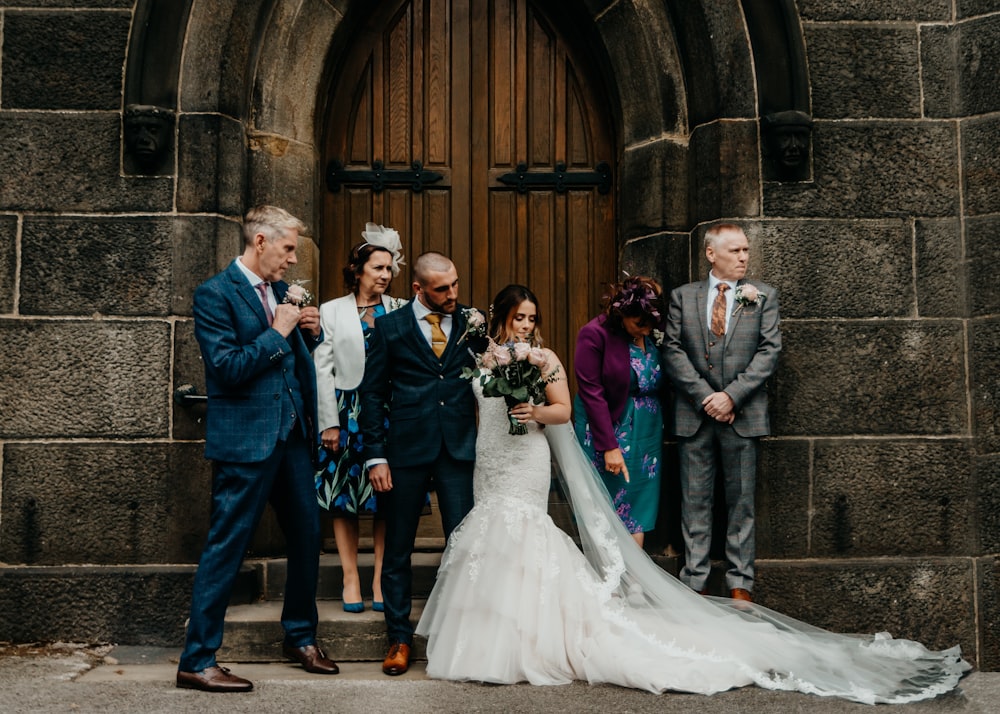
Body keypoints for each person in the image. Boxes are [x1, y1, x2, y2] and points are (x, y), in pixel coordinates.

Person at [416, 284, 969, 703]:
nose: (526, 326)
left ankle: (528, 643)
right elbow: (474, 405)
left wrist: (534, 410)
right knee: (489, 535)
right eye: (519, 318)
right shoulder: (484, 359)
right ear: (500, 318)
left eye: (532, 319)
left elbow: (562, 409)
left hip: (528, 460)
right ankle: (492, 637)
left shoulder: (544, 358)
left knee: (523, 534)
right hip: (493, 460)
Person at [177, 206, 339, 693]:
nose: (293, 259)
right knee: (226, 545)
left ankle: (300, 636)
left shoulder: (280, 295)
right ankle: (197, 659)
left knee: (308, 536)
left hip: (290, 437)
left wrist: (308, 335)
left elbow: (291, 366)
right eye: (288, 248)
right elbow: (227, 367)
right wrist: (280, 331)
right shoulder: (215, 294)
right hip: (246, 442)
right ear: (261, 241)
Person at [359, 251, 483, 677]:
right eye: (441, 289)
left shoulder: (471, 322)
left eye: (455, 285)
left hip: (458, 449)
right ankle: (398, 638)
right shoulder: (389, 326)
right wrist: (376, 455)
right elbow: (372, 394)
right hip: (404, 451)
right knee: (397, 550)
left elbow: (488, 378)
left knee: (463, 546)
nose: (453, 295)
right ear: (417, 289)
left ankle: (460, 634)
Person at [661, 222, 780, 603]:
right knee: (694, 501)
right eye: (735, 251)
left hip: (741, 416)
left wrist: (731, 397)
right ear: (711, 254)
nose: (744, 257)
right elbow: (672, 351)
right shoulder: (684, 296)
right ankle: (694, 581)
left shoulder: (763, 296)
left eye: (746, 250)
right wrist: (705, 397)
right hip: (694, 417)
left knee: (741, 503)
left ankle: (740, 584)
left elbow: (769, 352)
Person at [313, 224, 407, 614]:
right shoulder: (331, 310)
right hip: (346, 411)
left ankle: (380, 577)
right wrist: (328, 423)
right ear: (359, 270)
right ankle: (350, 576)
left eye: (389, 269)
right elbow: (323, 368)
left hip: (390, 412)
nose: (385, 275)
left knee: (387, 498)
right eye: (377, 268)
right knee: (343, 496)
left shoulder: (402, 310)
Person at [573, 276, 666, 548]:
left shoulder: (647, 332)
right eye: (640, 324)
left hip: (647, 433)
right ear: (622, 311)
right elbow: (591, 392)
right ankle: (609, 580)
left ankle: (633, 582)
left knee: (639, 505)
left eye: (652, 325)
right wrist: (609, 446)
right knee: (608, 504)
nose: (647, 331)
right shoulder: (594, 333)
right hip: (608, 427)